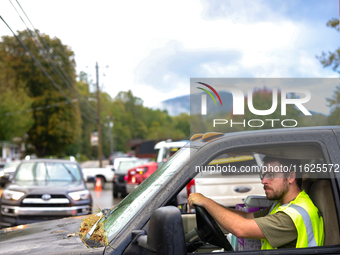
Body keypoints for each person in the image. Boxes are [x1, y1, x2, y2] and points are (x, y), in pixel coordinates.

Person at [188, 156, 324, 249]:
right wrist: (211, 204)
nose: (264, 180)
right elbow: (246, 217)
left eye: (270, 175)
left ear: (291, 177)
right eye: (263, 175)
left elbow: (241, 229)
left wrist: (206, 202)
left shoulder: (291, 217)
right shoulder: (286, 205)